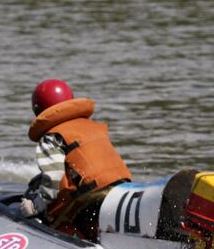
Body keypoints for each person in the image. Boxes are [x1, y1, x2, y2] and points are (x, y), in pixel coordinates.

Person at [20, 79, 132, 239]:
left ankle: (76, 244)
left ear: (37, 110)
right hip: (122, 188)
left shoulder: (52, 136)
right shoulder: (91, 125)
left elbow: (53, 177)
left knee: (54, 221)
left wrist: (35, 206)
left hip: (91, 196)